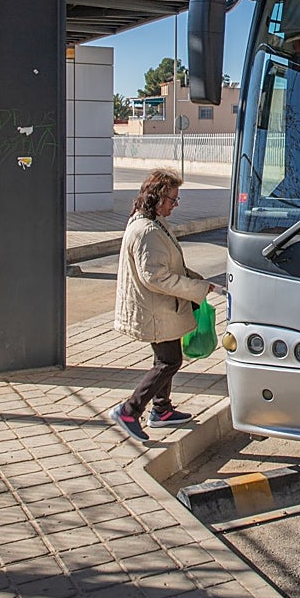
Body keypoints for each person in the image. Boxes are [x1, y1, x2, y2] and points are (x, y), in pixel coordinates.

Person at [108, 168, 224, 444]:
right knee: (169, 361)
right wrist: (195, 288)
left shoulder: (153, 223)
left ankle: (161, 410)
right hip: (156, 311)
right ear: (157, 198)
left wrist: (197, 281)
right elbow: (155, 276)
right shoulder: (147, 230)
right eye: (173, 199)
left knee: (165, 358)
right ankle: (129, 411)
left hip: (162, 308)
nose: (175, 204)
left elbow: (172, 266)